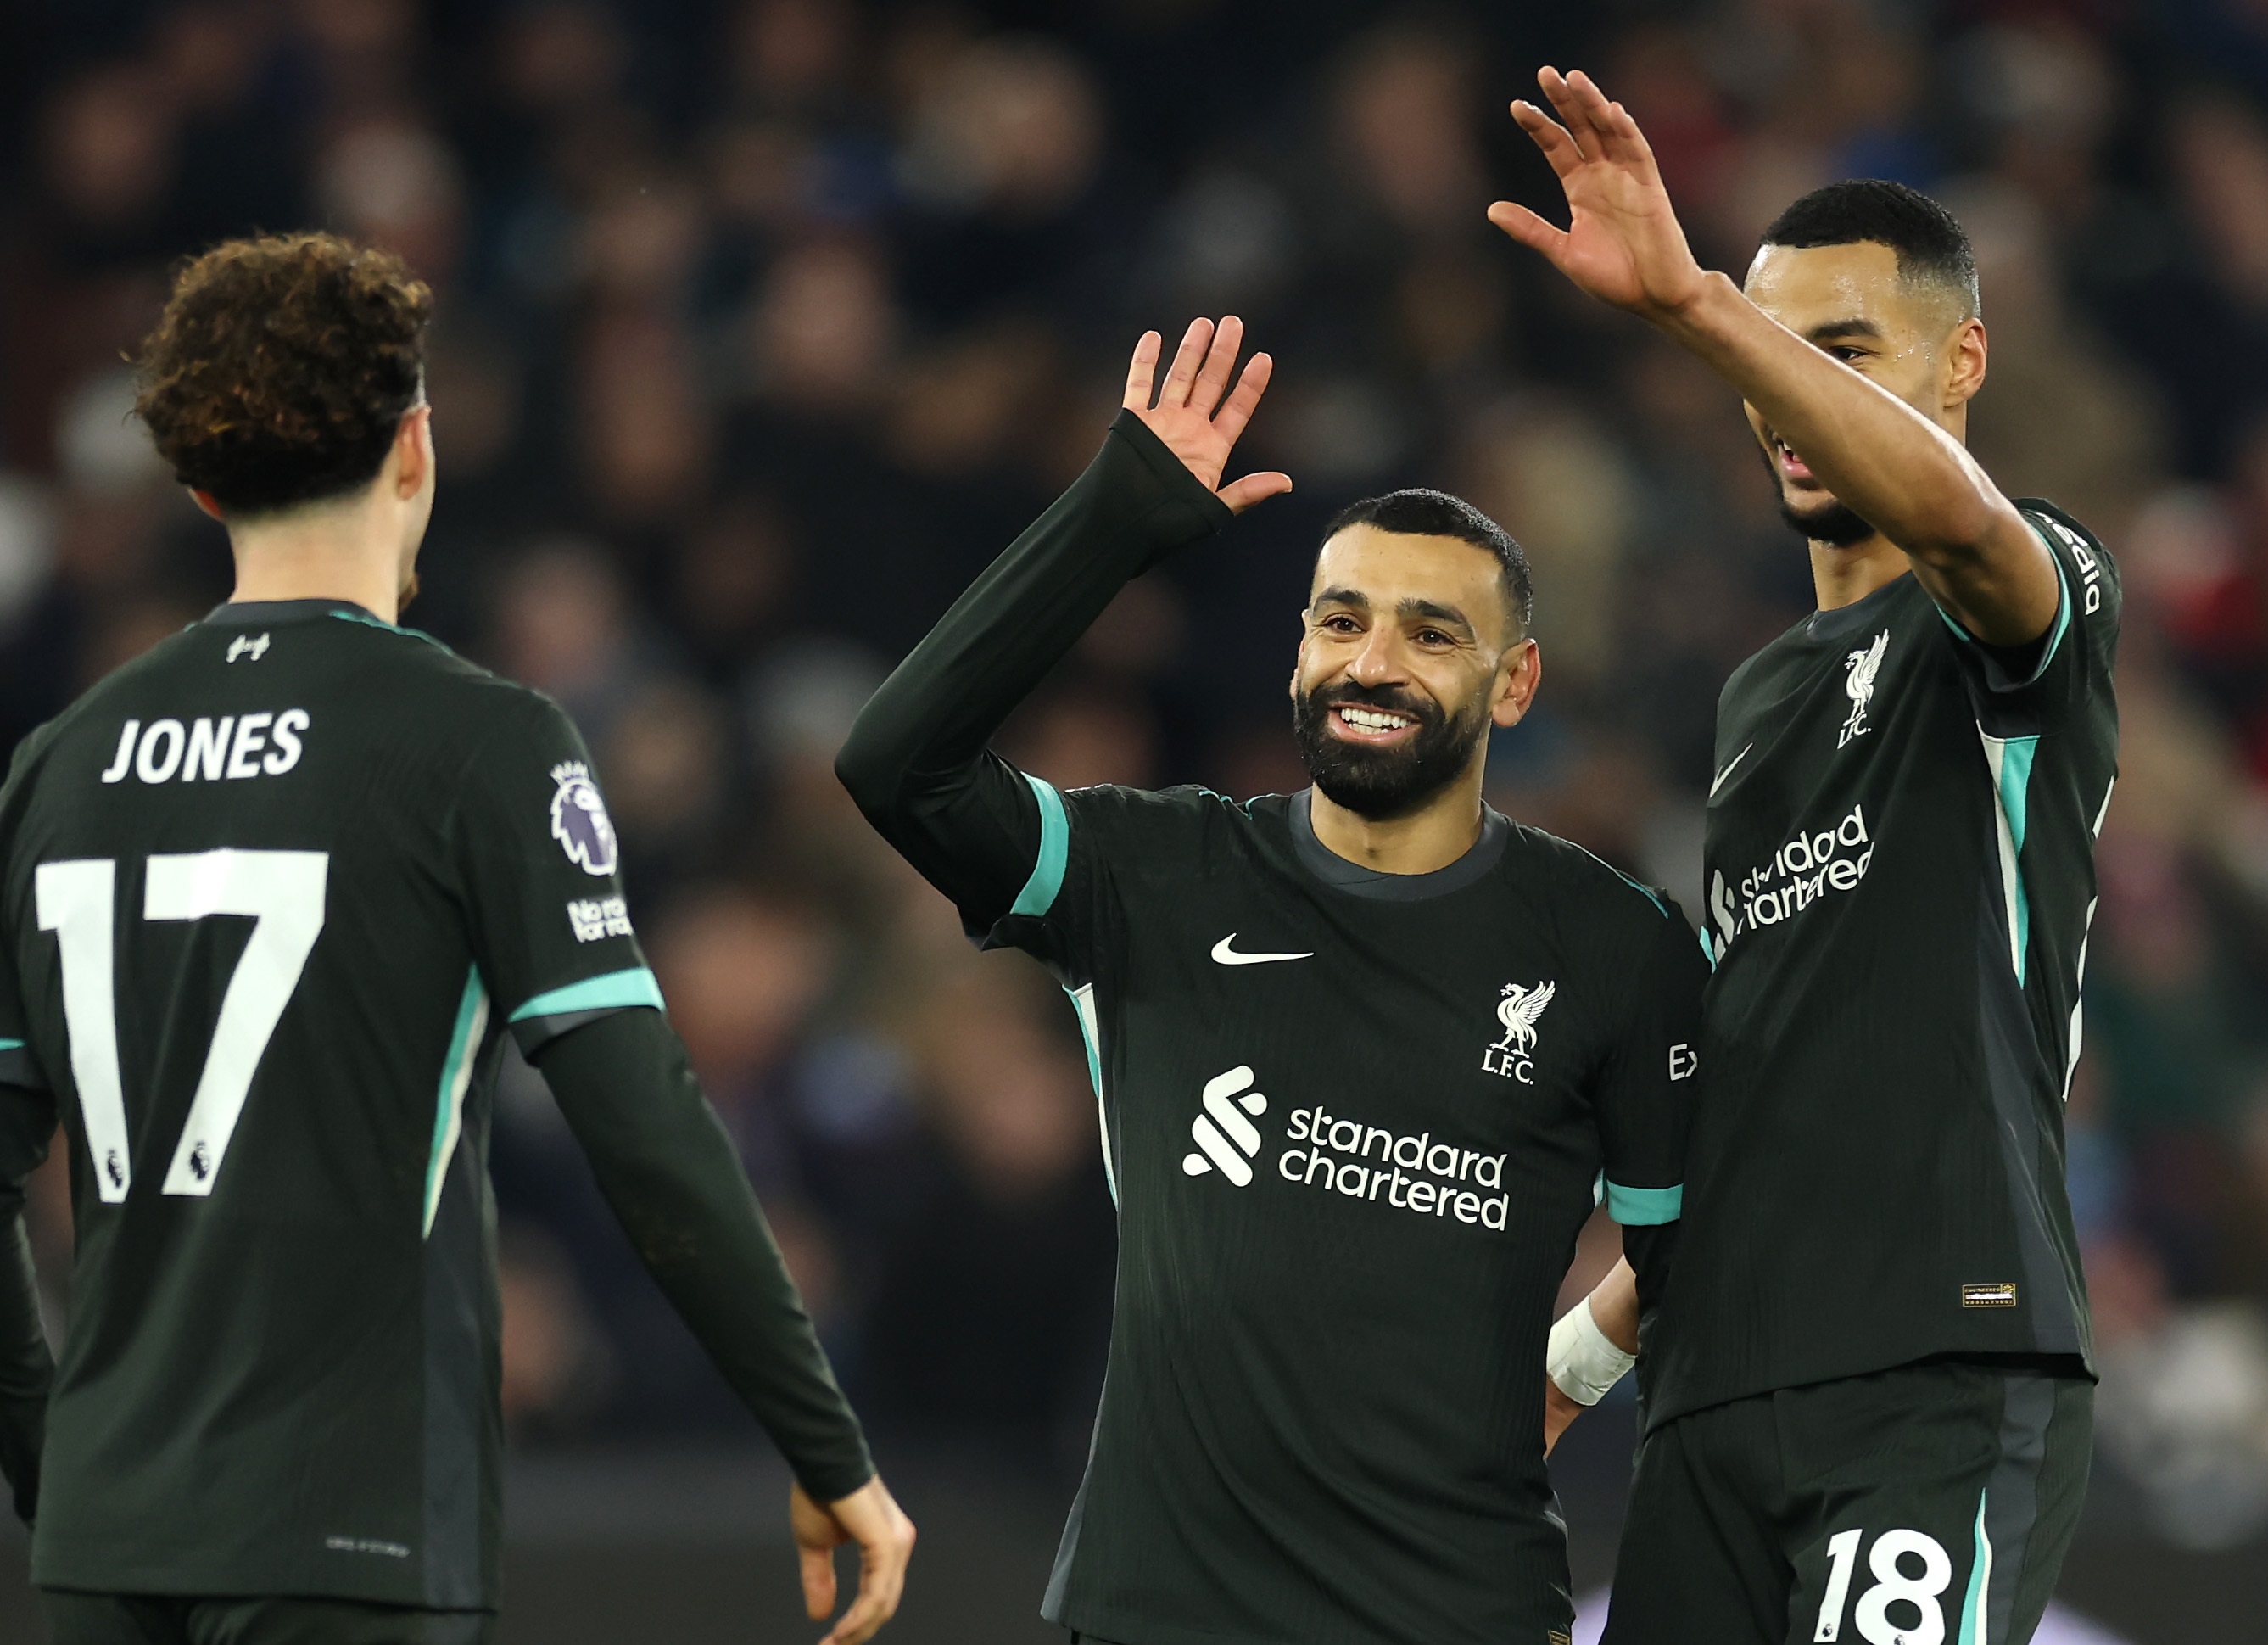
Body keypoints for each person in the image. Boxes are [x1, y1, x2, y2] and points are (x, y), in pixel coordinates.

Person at [0, 232, 914, 1645]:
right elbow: (644, 1125)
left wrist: (52, 1477)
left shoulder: (57, 766)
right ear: (416, 446)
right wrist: (824, 1441)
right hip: (347, 1529)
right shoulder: (479, 744)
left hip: (99, 1547)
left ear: (198, 480)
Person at [835, 312, 1707, 1645]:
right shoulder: (1157, 874)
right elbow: (898, 764)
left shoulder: (1614, 943)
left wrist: (1559, 1379)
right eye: (1340, 621)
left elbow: (1689, 1251)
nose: (1370, 662)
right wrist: (1114, 520)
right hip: (1157, 1612)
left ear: (1514, 682)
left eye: (1429, 633)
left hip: (1453, 1616)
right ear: (1295, 649)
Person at [1494, 70, 2116, 1645]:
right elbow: (1759, 1084)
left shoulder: (2027, 597)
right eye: (1764, 358)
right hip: (1713, 1406)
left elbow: (1968, 535)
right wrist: (1570, 1372)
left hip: (1935, 1367)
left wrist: (1700, 305)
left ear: (1960, 357)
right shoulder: (1758, 697)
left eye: (1833, 351)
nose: (1778, 395)